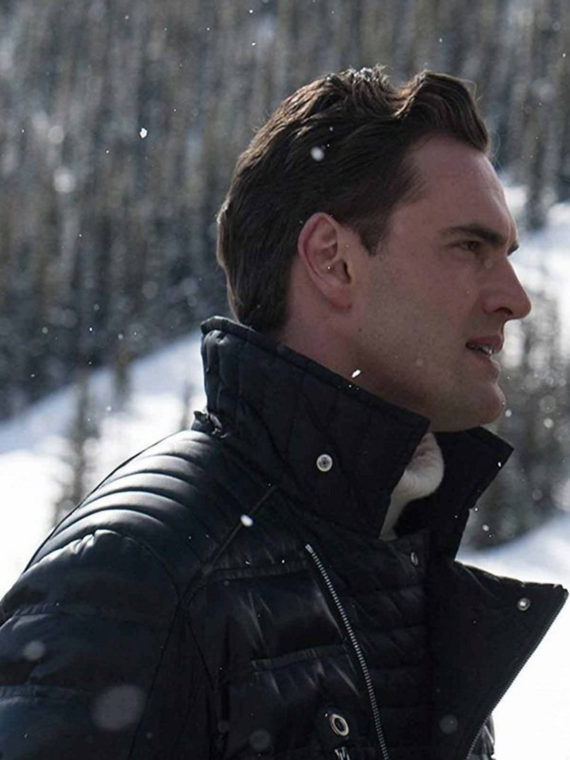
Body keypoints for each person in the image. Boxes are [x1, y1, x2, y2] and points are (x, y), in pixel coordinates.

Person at [0, 66, 566, 760]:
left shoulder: (395, 558)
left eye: (507, 254)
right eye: (470, 247)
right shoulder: (140, 578)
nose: (515, 298)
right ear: (333, 260)